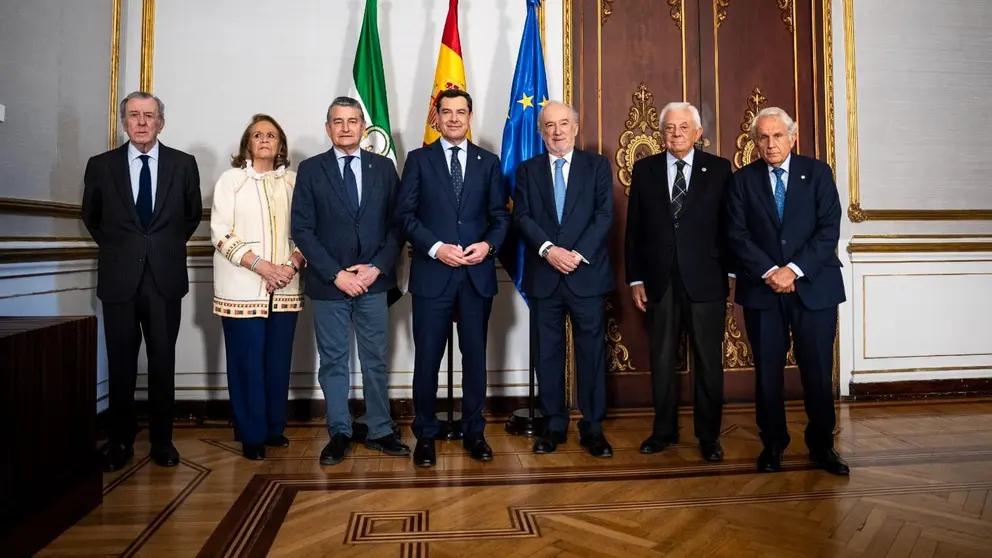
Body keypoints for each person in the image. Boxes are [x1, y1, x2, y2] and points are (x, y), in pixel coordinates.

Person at [82, 91, 202, 471]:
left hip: (165, 278)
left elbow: (191, 216)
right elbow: (92, 217)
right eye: (133, 115)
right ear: (123, 122)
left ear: (161, 122)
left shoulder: (184, 164)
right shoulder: (101, 166)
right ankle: (119, 441)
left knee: (162, 362)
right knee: (120, 363)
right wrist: (125, 250)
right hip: (119, 279)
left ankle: (162, 442)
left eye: (149, 116)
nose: (141, 122)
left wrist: (157, 249)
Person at [725, 107, 849, 476]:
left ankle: (822, 446)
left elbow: (828, 230)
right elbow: (736, 234)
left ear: (792, 138)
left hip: (814, 287)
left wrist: (792, 270)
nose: (770, 143)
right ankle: (773, 444)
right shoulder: (742, 181)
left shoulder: (818, 174)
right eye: (762, 137)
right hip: (763, 291)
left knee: (816, 370)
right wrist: (770, 272)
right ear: (754, 142)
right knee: (767, 373)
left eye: (777, 135)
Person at [291, 96, 408, 466]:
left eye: (353, 121)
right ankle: (339, 431)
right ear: (328, 128)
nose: (346, 127)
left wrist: (375, 267)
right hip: (330, 284)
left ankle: (380, 429)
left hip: (373, 281)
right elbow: (303, 230)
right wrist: (336, 274)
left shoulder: (384, 169)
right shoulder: (310, 170)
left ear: (363, 127)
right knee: (334, 361)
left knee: (376, 359)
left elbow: (397, 225)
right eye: (338, 122)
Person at [395, 89, 509, 467]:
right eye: (447, 112)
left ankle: (474, 432)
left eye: (461, 112)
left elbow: (500, 217)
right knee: (427, 359)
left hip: (476, 275)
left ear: (470, 117)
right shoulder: (418, 160)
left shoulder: (488, 162)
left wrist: (488, 247)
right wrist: (435, 247)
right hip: (433, 275)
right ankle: (425, 434)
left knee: (475, 358)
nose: (455, 118)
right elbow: (405, 215)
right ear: (436, 119)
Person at [625, 102, 733, 462]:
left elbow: (729, 227)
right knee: (662, 358)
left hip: (706, 279)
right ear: (662, 133)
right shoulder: (645, 170)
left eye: (683, 127)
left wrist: (730, 274)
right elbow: (633, 231)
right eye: (670, 128)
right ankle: (663, 431)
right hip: (659, 279)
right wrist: (635, 278)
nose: (676, 134)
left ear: (698, 133)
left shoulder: (719, 169)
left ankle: (708, 436)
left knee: (707, 361)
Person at [511, 101, 614, 458]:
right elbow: (522, 217)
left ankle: (593, 427)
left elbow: (604, 216)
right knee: (548, 354)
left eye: (563, 124)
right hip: (545, 277)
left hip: (586, 275)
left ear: (576, 126)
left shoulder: (597, 165)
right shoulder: (527, 170)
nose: (557, 131)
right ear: (541, 132)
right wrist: (548, 250)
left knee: (591, 354)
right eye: (549, 125)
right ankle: (554, 424)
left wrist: (575, 254)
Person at [210, 114, 304, 461]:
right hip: (241, 287)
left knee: (277, 360)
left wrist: (289, 265)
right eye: (257, 135)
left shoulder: (294, 183)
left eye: (271, 135)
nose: (264, 139)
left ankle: (272, 428)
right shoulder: (231, 180)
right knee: (246, 361)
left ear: (280, 145)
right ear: (247, 144)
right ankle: (250, 433)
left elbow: (307, 230)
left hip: (285, 286)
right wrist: (261, 266)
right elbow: (220, 232)